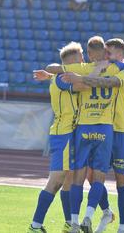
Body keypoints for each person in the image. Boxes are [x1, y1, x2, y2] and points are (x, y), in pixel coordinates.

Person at [34, 36, 124, 233]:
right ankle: (71, 221)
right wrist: (63, 75)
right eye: (80, 58)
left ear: (118, 54)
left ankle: (117, 223)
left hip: (118, 131)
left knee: (107, 179)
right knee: (75, 177)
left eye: (109, 52)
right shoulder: (86, 69)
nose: (84, 60)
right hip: (79, 130)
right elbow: (59, 71)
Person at [27, 42, 89, 233]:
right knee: (55, 181)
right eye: (81, 58)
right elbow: (85, 85)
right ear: (74, 61)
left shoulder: (59, 77)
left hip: (68, 133)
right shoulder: (63, 78)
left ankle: (70, 222)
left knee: (68, 179)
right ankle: (35, 226)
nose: (84, 61)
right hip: (64, 134)